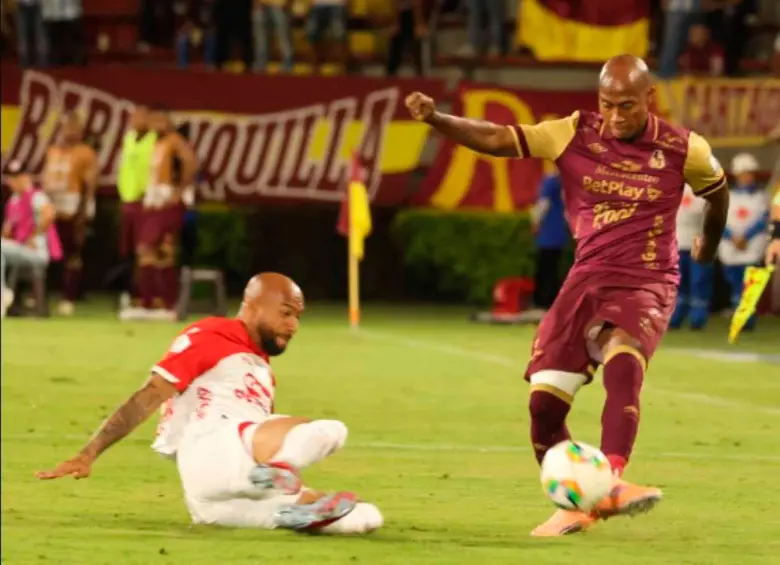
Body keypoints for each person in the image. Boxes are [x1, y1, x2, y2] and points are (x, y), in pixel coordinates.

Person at [405, 54, 730, 537]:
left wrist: (708, 247)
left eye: (627, 106)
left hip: (647, 278)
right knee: (543, 407)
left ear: (649, 99)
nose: (616, 116)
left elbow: (717, 193)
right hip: (587, 278)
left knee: (624, 359)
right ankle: (577, 501)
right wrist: (436, 118)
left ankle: (612, 481)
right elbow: (498, 138)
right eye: (607, 105)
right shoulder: (572, 133)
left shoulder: (685, 148)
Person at [37, 273, 384, 534]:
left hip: (211, 501)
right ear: (252, 306)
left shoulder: (261, 367)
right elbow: (150, 394)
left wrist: (316, 499)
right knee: (330, 431)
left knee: (365, 518)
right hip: (210, 445)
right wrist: (89, 453)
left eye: (297, 317)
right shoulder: (212, 335)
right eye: (286, 313)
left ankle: (283, 499)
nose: (293, 325)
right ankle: (278, 471)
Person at [120, 108, 197, 322]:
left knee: (147, 249)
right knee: (162, 252)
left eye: (160, 120)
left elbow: (190, 162)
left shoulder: (175, 140)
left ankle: (157, 302)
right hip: (153, 200)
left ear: (168, 121)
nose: (156, 124)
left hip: (167, 201)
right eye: (153, 120)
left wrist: (180, 191)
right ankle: (158, 302)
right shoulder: (156, 143)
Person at [41, 112, 98, 316]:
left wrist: (83, 215)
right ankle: (42, 295)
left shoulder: (86, 153)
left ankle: (69, 296)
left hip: (72, 210)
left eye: (73, 127)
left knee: (72, 255)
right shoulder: (52, 151)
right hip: (50, 209)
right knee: (44, 254)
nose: (68, 131)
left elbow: (89, 186)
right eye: (65, 127)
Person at [1, 160, 61, 317]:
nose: (14, 181)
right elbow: (7, 230)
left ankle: (3, 294)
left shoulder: (36, 196)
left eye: (17, 177)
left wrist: (33, 236)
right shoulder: (13, 201)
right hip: (18, 251)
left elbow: (49, 214)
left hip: (37, 252)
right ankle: (4, 295)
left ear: (25, 177)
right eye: (11, 178)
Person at [718, 152, 769, 329]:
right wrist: (731, 237)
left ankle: (748, 319)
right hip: (730, 247)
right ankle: (738, 315)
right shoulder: (726, 195)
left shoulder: (761, 196)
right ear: (737, 174)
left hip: (751, 246)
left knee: (750, 284)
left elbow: (764, 219)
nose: (748, 177)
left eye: (750, 173)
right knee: (734, 284)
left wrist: (745, 237)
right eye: (744, 173)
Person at [116, 105, 157, 310]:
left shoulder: (155, 140)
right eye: (133, 117)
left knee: (146, 251)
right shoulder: (129, 138)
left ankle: (146, 296)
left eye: (139, 117)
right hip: (128, 200)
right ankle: (129, 294)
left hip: (145, 202)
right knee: (128, 251)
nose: (135, 120)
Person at [670, 184, 713, 329]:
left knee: (698, 281)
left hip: (698, 240)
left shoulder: (705, 188)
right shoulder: (671, 187)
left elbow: (704, 213)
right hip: (676, 240)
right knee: (677, 282)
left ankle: (698, 318)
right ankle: (675, 317)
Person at [530, 167, 568, 313]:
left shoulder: (550, 181)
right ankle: (552, 302)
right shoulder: (565, 181)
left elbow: (542, 205)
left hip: (547, 232)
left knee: (544, 269)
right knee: (554, 268)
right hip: (559, 232)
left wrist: (535, 223)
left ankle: (541, 302)